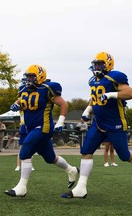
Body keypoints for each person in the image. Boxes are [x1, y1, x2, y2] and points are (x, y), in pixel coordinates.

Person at [61, 52, 132, 199]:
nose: (97, 67)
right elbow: (94, 99)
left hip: (115, 123)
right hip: (98, 122)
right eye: (95, 64)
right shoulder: (93, 80)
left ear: (108, 64)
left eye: (100, 64)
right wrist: (87, 110)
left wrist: (111, 94)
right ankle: (81, 188)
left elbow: (130, 93)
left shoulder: (115, 76)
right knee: (86, 151)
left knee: (124, 155)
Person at [4, 65, 79, 197]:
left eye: (32, 77)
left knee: (25, 150)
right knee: (50, 157)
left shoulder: (47, 89)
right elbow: (22, 99)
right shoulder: (23, 89)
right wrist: (17, 103)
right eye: (28, 77)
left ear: (40, 77)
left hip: (43, 127)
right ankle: (71, 169)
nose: (29, 79)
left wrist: (60, 122)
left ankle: (22, 187)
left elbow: (63, 104)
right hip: (30, 128)